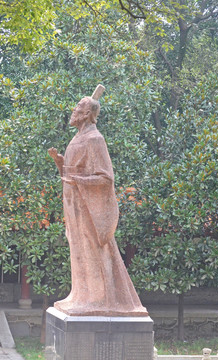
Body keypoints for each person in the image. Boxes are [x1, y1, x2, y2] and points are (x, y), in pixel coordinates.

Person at [48, 94, 148, 316]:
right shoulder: (77, 138)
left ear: (86, 114)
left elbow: (105, 178)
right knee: (77, 249)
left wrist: (78, 181)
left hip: (88, 206)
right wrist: (60, 164)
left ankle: (98, 298)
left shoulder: (95, 139)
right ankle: (80, 294)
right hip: (73, 202)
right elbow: (71, 173)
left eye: (78, 107)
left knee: (91, 249)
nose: (73, 110)